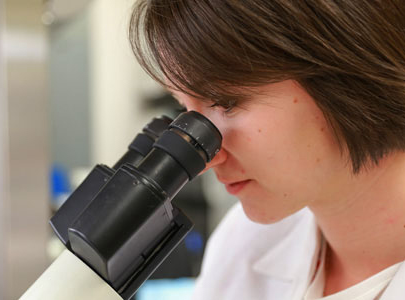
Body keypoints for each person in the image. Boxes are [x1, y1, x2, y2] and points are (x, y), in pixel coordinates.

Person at [129, 1, 405, 299]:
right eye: (183, 108)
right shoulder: (244, 241)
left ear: (349, 67)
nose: (206, 161)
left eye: (225, 102)